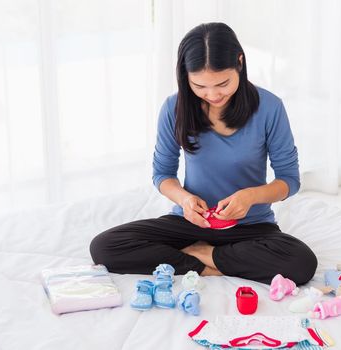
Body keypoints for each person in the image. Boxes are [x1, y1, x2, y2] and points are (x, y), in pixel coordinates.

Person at [90, 22, 317, 285]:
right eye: (199, 86)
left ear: (240, 63)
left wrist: (250, 196)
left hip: (249, 227)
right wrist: (185, 200)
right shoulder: (174, 108)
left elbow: (289, 179)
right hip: (191, 224)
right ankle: (208, 265)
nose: (212, 95)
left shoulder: (269, 107)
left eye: (222, 83)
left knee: (301, 262)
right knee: (105, 247)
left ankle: (205, 254)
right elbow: (162, 174)